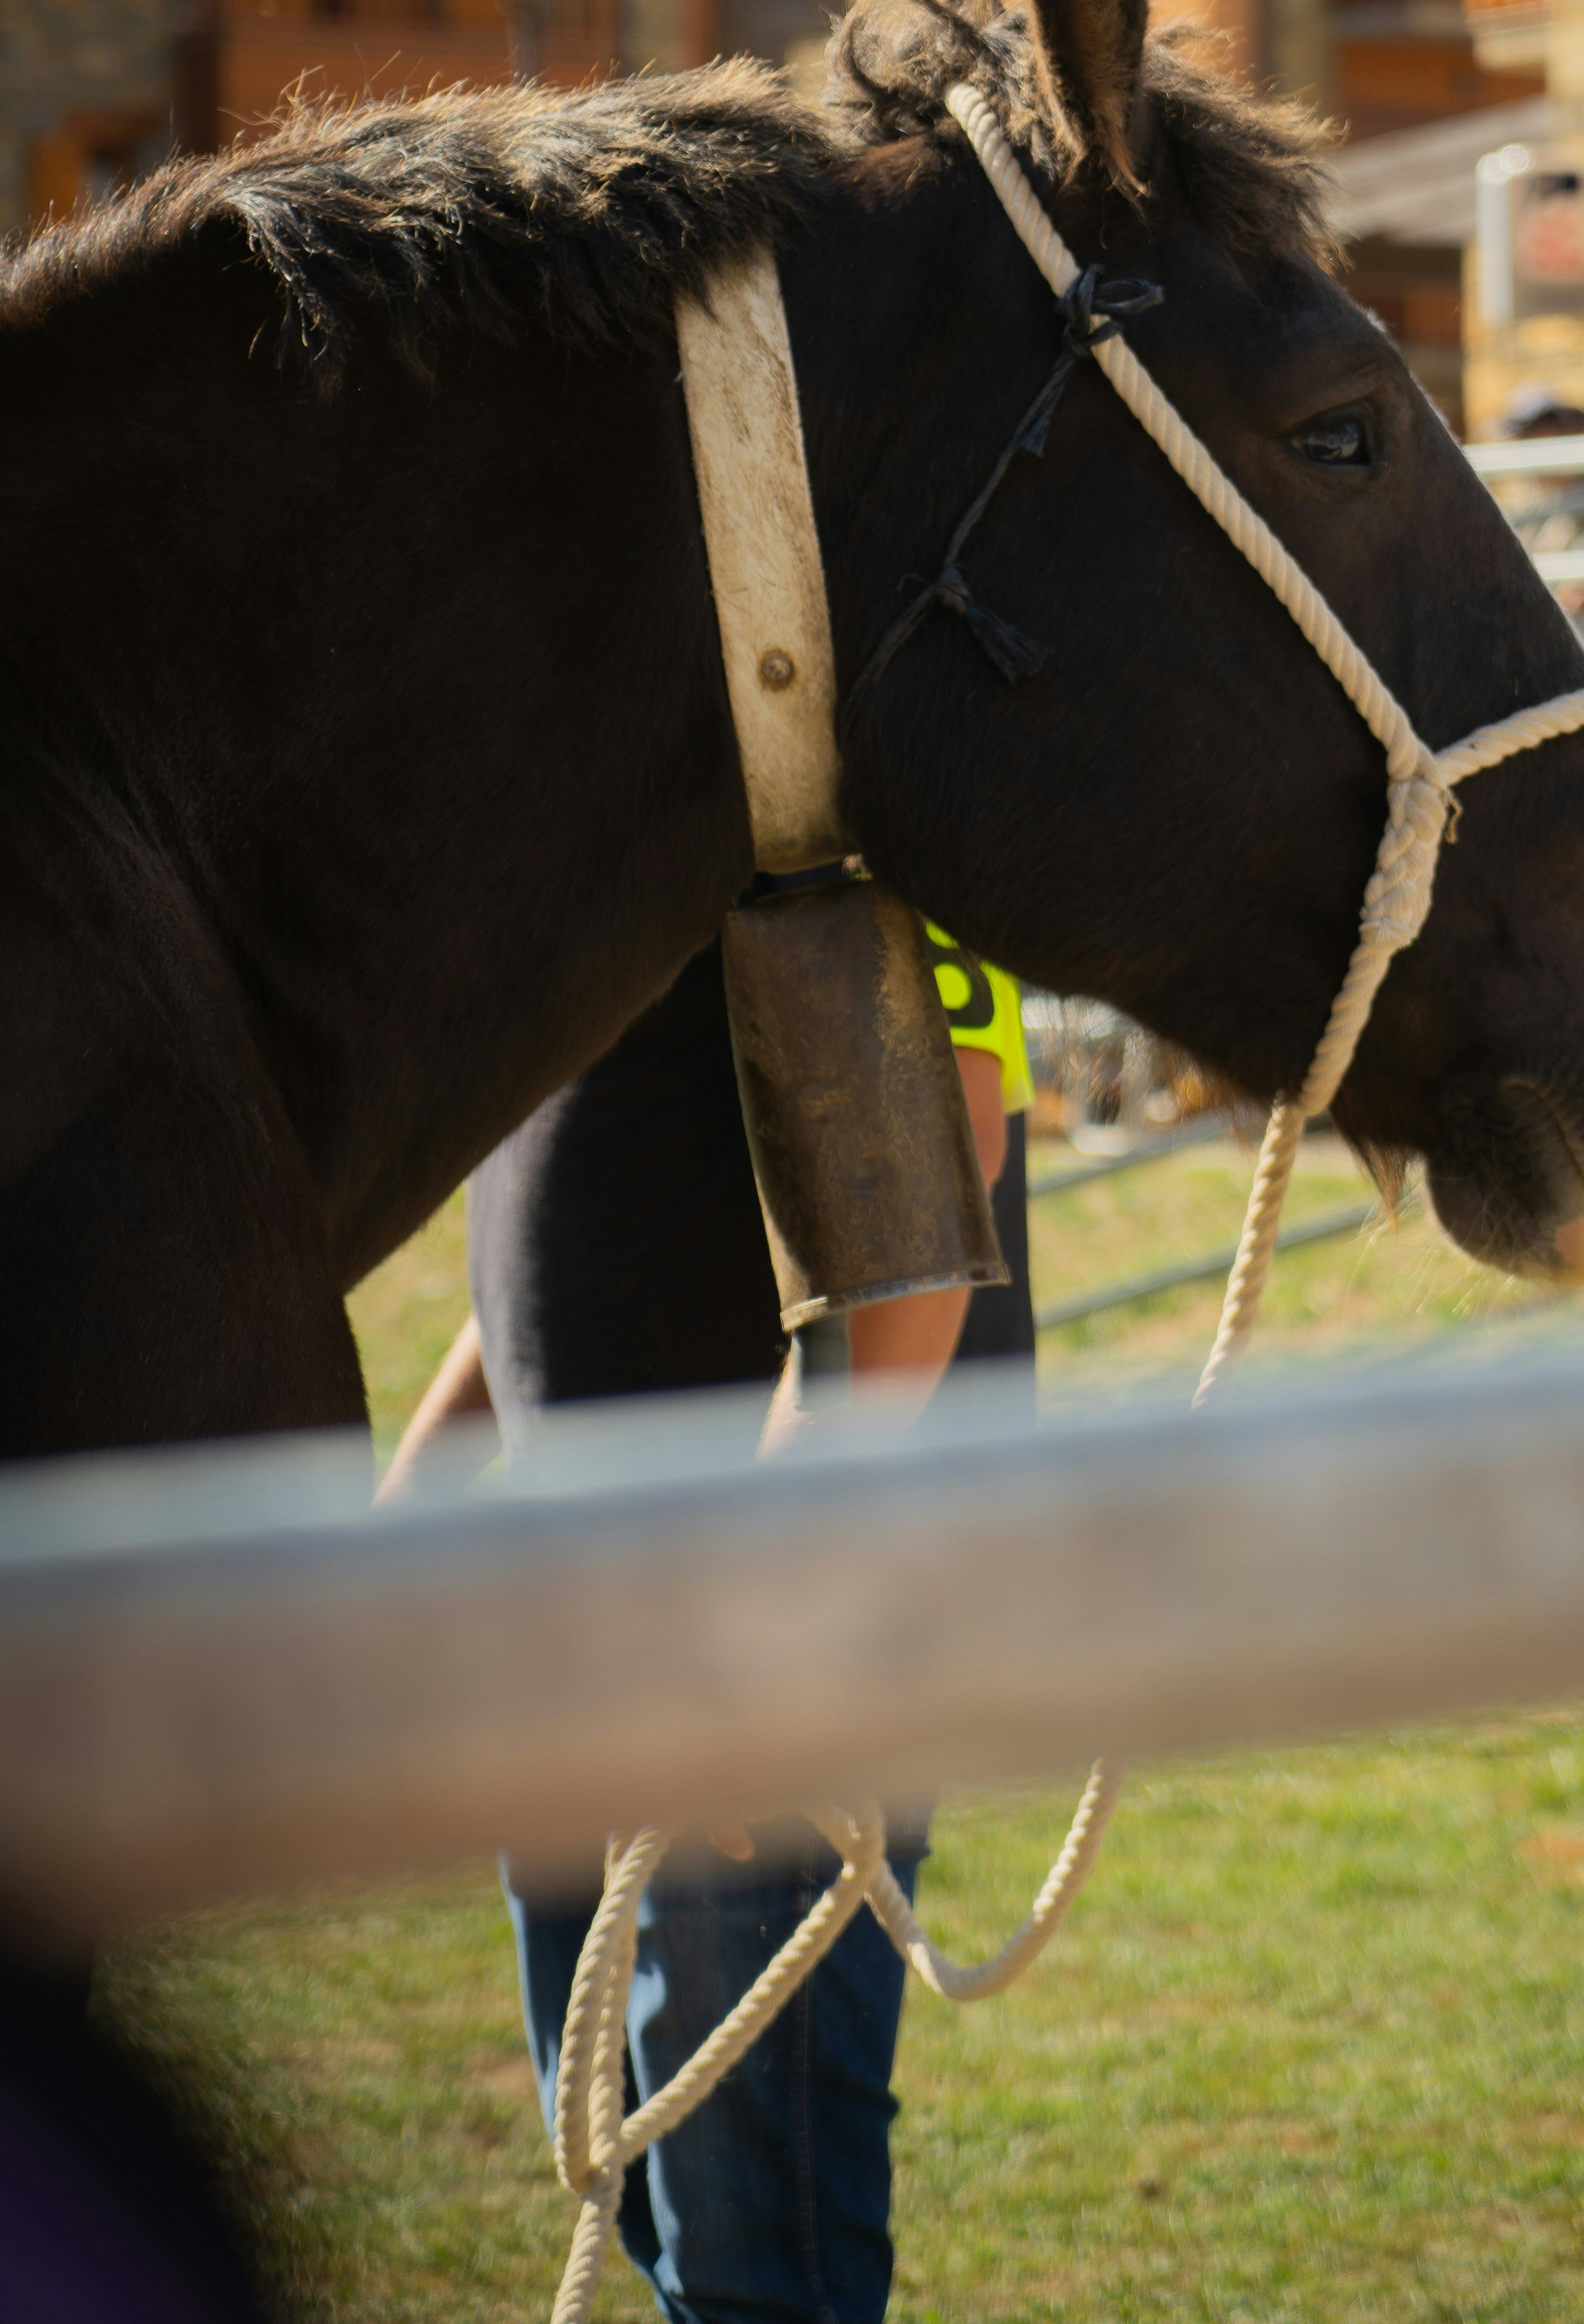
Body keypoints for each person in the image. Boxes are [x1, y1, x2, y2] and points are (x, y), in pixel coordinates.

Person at [381, 918, 1035, 2324]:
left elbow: (929, 1196)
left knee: (756, 2260)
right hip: (594, 1629)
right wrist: (415, 1494)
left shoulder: (826, 827)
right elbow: (577, 1201)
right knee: (642, 2181)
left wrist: (747, 1624)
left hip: (754, 1651)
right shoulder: (613, 855)